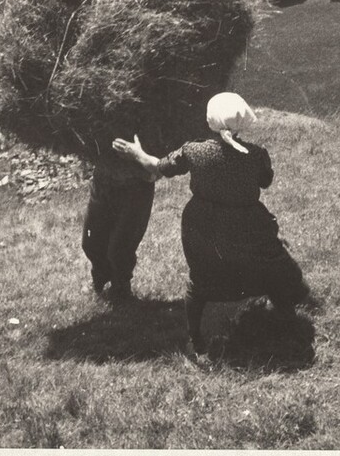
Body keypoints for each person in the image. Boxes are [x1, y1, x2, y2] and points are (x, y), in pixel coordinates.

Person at [112, 92, 309, 354]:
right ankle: (286, 317)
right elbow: (265, 181)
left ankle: (196, 338)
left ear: (210, 122)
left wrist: (136, 153)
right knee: (277, 267)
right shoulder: (257, 155)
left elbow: (158, 166)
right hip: (249, 226)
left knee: (200, 280)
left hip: (202, 228)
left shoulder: (193, 151)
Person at [82, 157, 156, 301]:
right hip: (104, 181)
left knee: (120, 247)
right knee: (90, 242)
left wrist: (152, 169)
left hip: (135, 186)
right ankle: (100, 275)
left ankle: (120, 286)